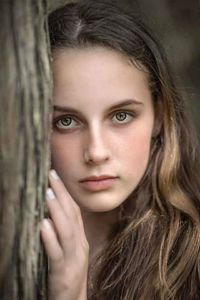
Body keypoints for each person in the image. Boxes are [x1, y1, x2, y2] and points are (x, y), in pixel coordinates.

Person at [40, 1, 200, 299]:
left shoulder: (192, 259)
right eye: (66, 121)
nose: (96, 152)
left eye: (121, 116)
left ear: (159, 118)